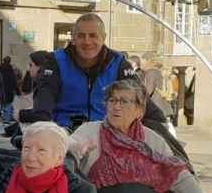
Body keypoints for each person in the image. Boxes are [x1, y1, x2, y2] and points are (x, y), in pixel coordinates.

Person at [68, 80, 212, 193]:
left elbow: (177, 173)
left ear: (139, 111)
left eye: (124, 101)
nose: (116, 106)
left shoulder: (152, 140)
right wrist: (75, 148)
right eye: (112, 100)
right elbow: (69, 148)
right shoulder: (90, 131)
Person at [34, 13, 168, 128]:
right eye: (81, 36)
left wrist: (159, 122)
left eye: (93, 36)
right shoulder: (55, 61)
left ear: (103, 38)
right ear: (73, 39)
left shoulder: (118, 62)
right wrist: (43, 122)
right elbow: (45, 97)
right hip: (65, 134)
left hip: (108, 133)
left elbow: (140, 98)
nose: (87, 42)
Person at [0, 56, 20, 123]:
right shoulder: (10, 71)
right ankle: (7, 120)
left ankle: (5, 118)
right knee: (9, 105)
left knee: (4, 105)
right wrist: (18, 92)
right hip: (9, 91)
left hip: (1, 91)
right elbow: (14, 82)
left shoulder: (0, 70)